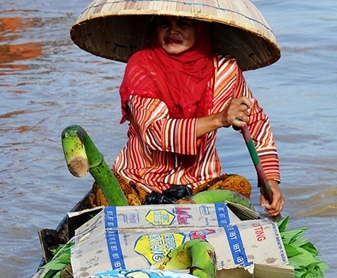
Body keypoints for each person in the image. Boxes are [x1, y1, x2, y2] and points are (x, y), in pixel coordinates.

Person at [89, 15, 284, 218]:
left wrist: (269, 181)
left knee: (240, 186)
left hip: (198, 186)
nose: (173, 31)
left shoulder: (226, 72)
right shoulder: (141, 67)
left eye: (183, 24)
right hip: (140, 181)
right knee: (106, 192)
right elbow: (156, 133)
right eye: (164, 24)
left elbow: (256, 123)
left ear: (200, 29)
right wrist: (220, 118)